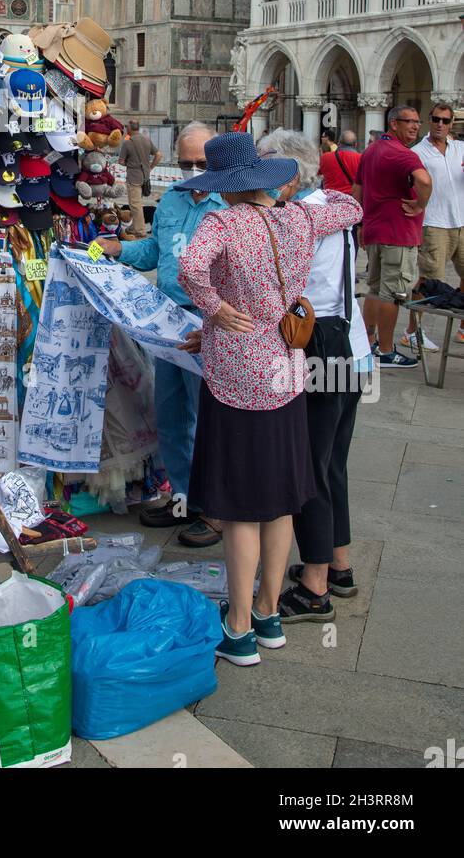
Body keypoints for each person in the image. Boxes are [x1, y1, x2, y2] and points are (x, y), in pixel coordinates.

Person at [176, 132, 361, 666]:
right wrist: (302, 197)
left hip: (237, 378)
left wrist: (213, 307)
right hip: (287, 370)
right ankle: (268, 612)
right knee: (281, 501)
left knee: (239, 509)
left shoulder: (222, 223)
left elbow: (190, 267)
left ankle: (238, 630)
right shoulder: (298, 219)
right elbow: (348, 207)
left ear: (223, 186)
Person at [257, 130, 372, 624]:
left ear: (289, 175)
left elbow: (282, 290)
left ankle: (315, 586)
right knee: (332, 463)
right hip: (351, 346)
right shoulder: (331, 205)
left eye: (267, 170)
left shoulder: (300, 217)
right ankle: (337, 562)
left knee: (310, 468)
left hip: (318, 345)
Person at [98, 122, 225, 545]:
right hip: (167, 322)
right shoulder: (170, 200)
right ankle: (184, 497)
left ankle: (216, 509)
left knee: (209, 419)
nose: (192, 171)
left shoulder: (230, 205)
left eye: (201, 163)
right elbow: (154, 250)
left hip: (209, 325)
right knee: (171, 416)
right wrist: (119, 250)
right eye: (185, 163)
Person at [352, 106, 431, 368]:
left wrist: (361, 222)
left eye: (418, 122)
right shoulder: (402, 154)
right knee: (392, 293)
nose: (415, 126)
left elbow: (358, 188)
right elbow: (425, 181)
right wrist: (420, 204)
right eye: (409, 122)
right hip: (398, 233)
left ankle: (367, 342)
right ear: (393, 123)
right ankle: (386, 350)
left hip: (376, 230)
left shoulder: (371, 149)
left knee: (374, 289)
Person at [405, 101, 464, 350]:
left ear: (451, 124)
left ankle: (462, 328)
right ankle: (412, 332)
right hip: (434, 223)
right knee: (429, 280)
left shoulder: (460, 148)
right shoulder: (418, 151)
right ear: (430, 120)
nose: (440, 124)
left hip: (461, 221)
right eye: (436, 119)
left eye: (445, 120)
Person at [119, 119, 162, 239]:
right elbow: (159, 155)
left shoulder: (128, 142)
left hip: (133, 177)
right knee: (138, 203)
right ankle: (135, 227)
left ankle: (139, 230)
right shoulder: (147, 140)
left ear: (129, 128)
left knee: (135, 204)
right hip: (145, 177)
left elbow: (121, 161)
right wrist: (150, 167)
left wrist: (129, 163)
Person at [318, 127, 361, 196]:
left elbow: (318, 174)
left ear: (338, 143)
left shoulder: (325, 157)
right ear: (355, 144)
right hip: (351, 198)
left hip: (330, 198)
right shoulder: (360, 158)